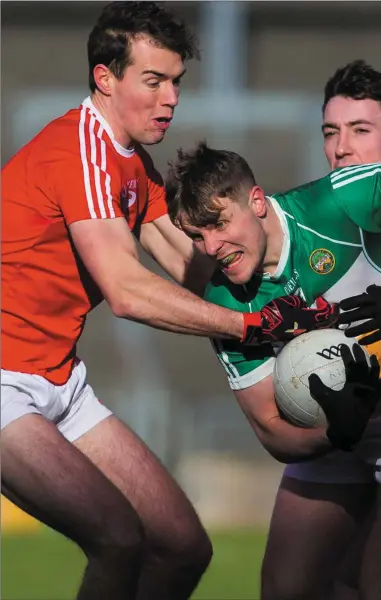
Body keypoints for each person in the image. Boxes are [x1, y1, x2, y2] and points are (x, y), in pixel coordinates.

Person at [1, 3, 338, 599]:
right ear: (105, 78)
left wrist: (301, 280)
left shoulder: (137, 167)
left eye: (175, 81)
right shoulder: (80, 149)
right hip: (5, 383)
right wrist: (252, 325)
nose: (170, 98)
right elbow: (127, 290)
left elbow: (192, 267)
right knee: (116, 537)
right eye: (152, 81)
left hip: (59, 382)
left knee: (182, 546)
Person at [164, 140, 381, 600]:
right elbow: (271, 430)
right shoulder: (225, 305)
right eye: (198, 236)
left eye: (219, 224)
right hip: (341, 433)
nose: (213, 247)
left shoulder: (339, 200)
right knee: (285, 588)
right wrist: (335, 433)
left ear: (257, 201)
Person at [259, 59, 381, 600]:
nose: (342, 148)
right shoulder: (310, 223)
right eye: (332, 132)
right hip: (339, 427)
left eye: (361, 130)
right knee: (287, 589)